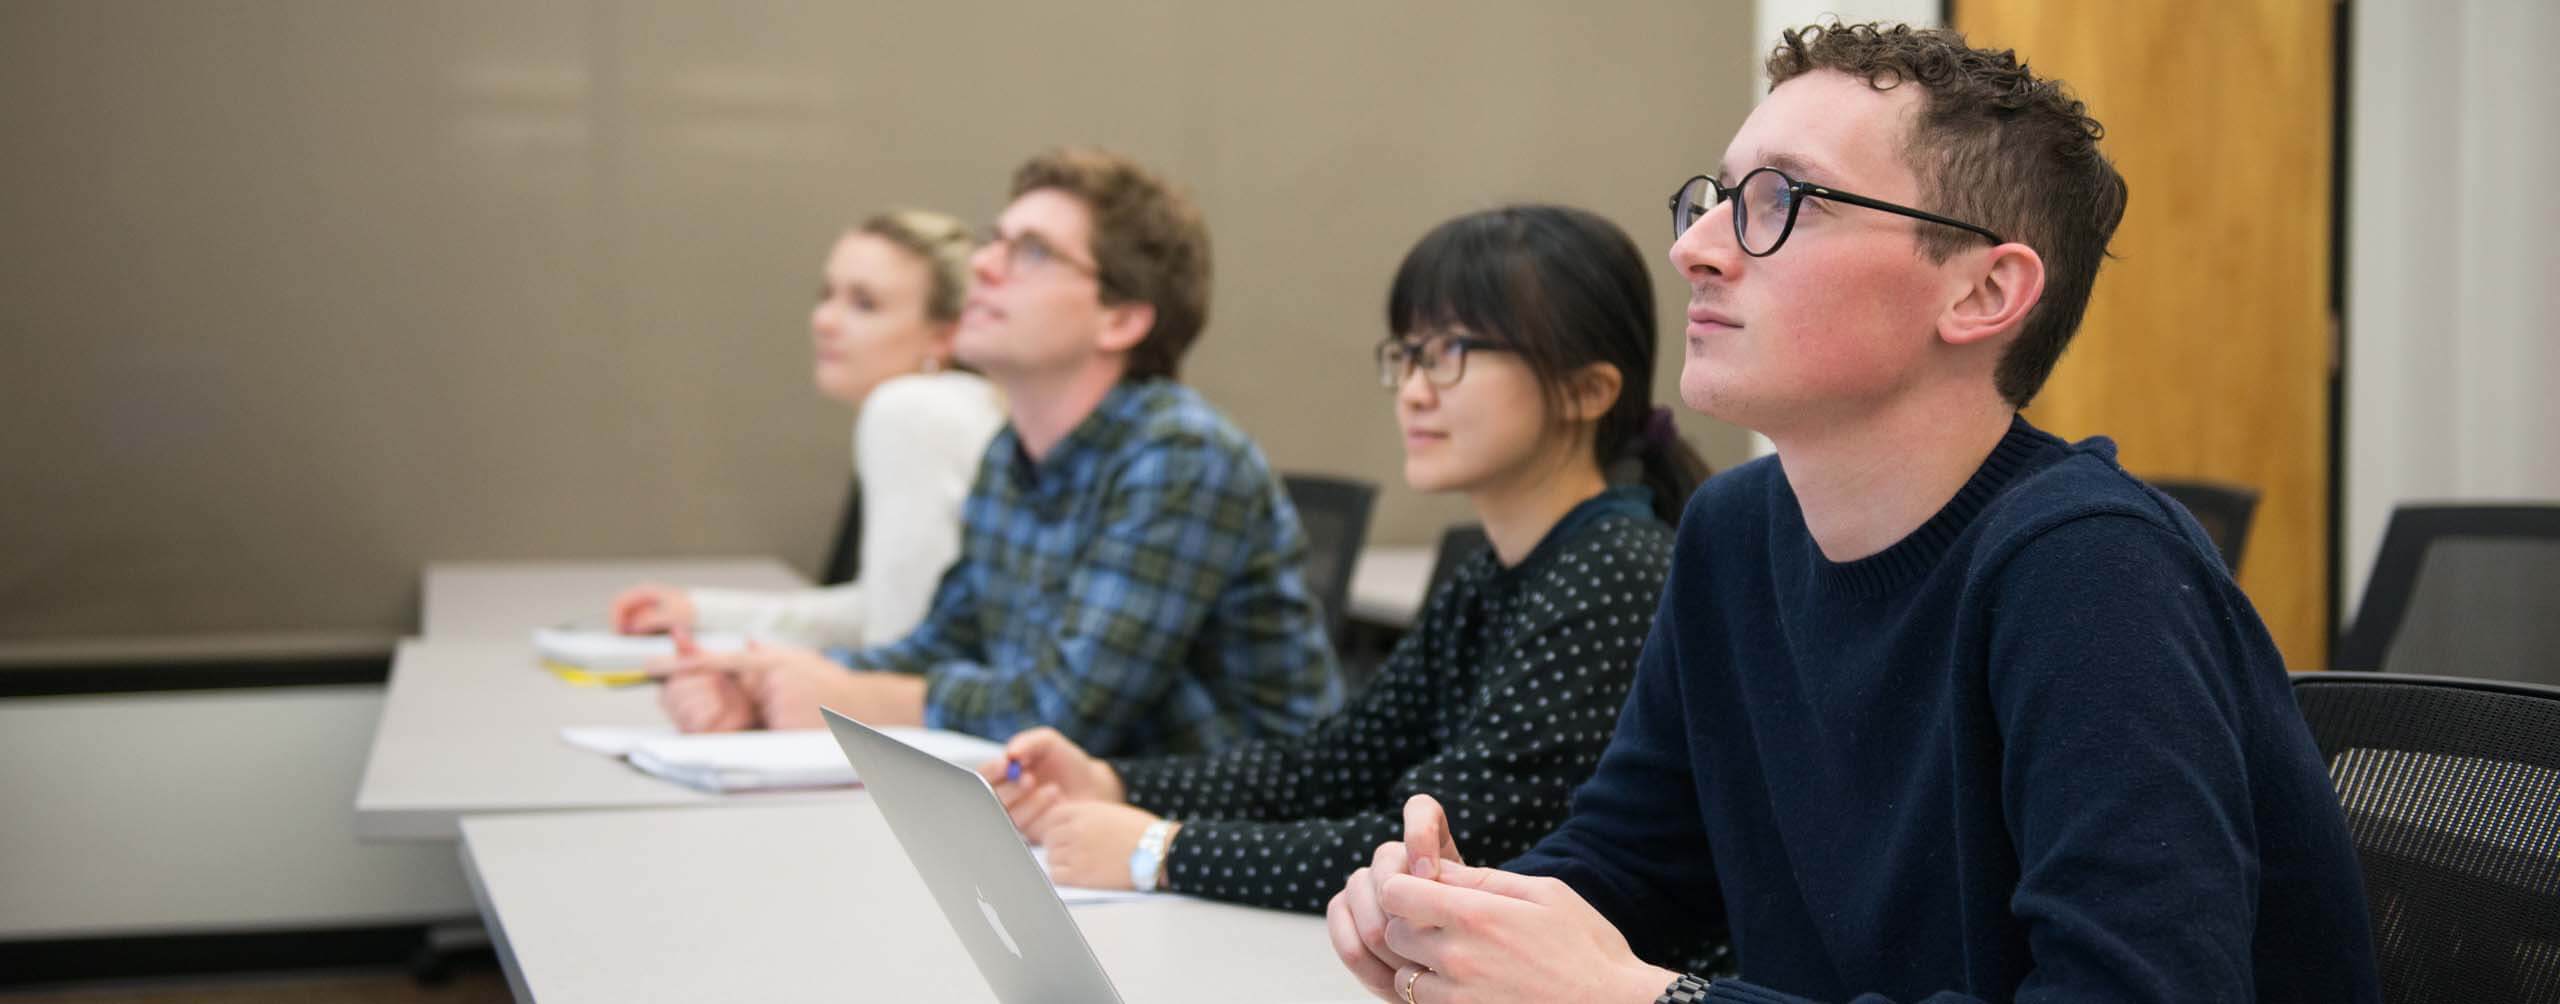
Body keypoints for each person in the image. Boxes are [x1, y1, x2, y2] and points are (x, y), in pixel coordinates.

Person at [1328, 22, 2381, 1004]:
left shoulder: (2092, 571)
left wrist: (1645, 995)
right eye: (1715, 196)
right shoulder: (1731, 533)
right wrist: (1453, 915)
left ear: (1979, 293)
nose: (1697, 246)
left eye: (1786, 200)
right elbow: (1627, 862)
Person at [976, 205, 1711, 908]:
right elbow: (1332, 766)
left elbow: (1435, 857)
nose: (1414, 393)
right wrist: (1112, 782)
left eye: (1453, 353)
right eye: (1409, 355)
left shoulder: (1614, 575)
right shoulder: (1500, 573)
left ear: (1587, 390)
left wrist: (1162, 850)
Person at [657, 148, 1342, 758]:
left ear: (1122, 318)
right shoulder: (1012, 453)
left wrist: (852, 698)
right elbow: (942, 643)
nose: (983, 266)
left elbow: (1069, 715)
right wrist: (768, 679)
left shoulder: (1180, 455)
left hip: (1225, 848)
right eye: (995, 242)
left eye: (1032, 251)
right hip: (1078, 835)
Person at [607, 210, 1004, 656]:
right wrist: (702, 612)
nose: (825, 320)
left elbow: (898, 644)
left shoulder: (911, 411)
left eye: (864, 303)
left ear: (944, 335)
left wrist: (763, 678)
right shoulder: (960, 402)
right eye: (826, 294)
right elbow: (883, 604)